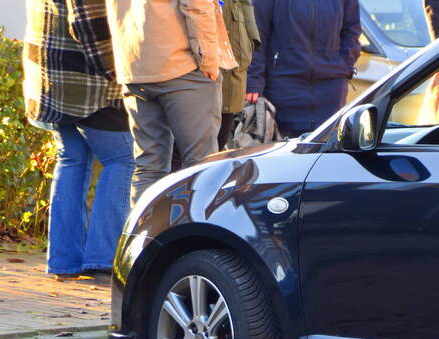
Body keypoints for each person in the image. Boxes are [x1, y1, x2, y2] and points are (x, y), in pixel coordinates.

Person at [23, 0, 134, 282]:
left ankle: (64, 261)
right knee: (122, 159)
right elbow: (89, 25)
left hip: (50, 76)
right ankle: (103, 260)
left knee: (71, 161)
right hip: (87, 84)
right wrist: (123, 74)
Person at [104, 0, 236, 203]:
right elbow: (197, 5)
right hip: (181, 65)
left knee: (149, 166)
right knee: (201, 166)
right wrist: (209, 60)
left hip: (135, 64)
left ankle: (141, 233)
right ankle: (193, 233)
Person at [245, 0, 360, 139]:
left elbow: (352, 30)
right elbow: (257, 34)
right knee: (285, 155)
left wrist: (343, 67)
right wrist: (254, 80)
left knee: (328, 152)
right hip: (283, 88)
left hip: (331, 91)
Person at [220, 0, 261, 150]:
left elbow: (252, 32)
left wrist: (248, 47)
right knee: (188, 155)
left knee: (214, 152)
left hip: (233, 76)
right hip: (202, 81)